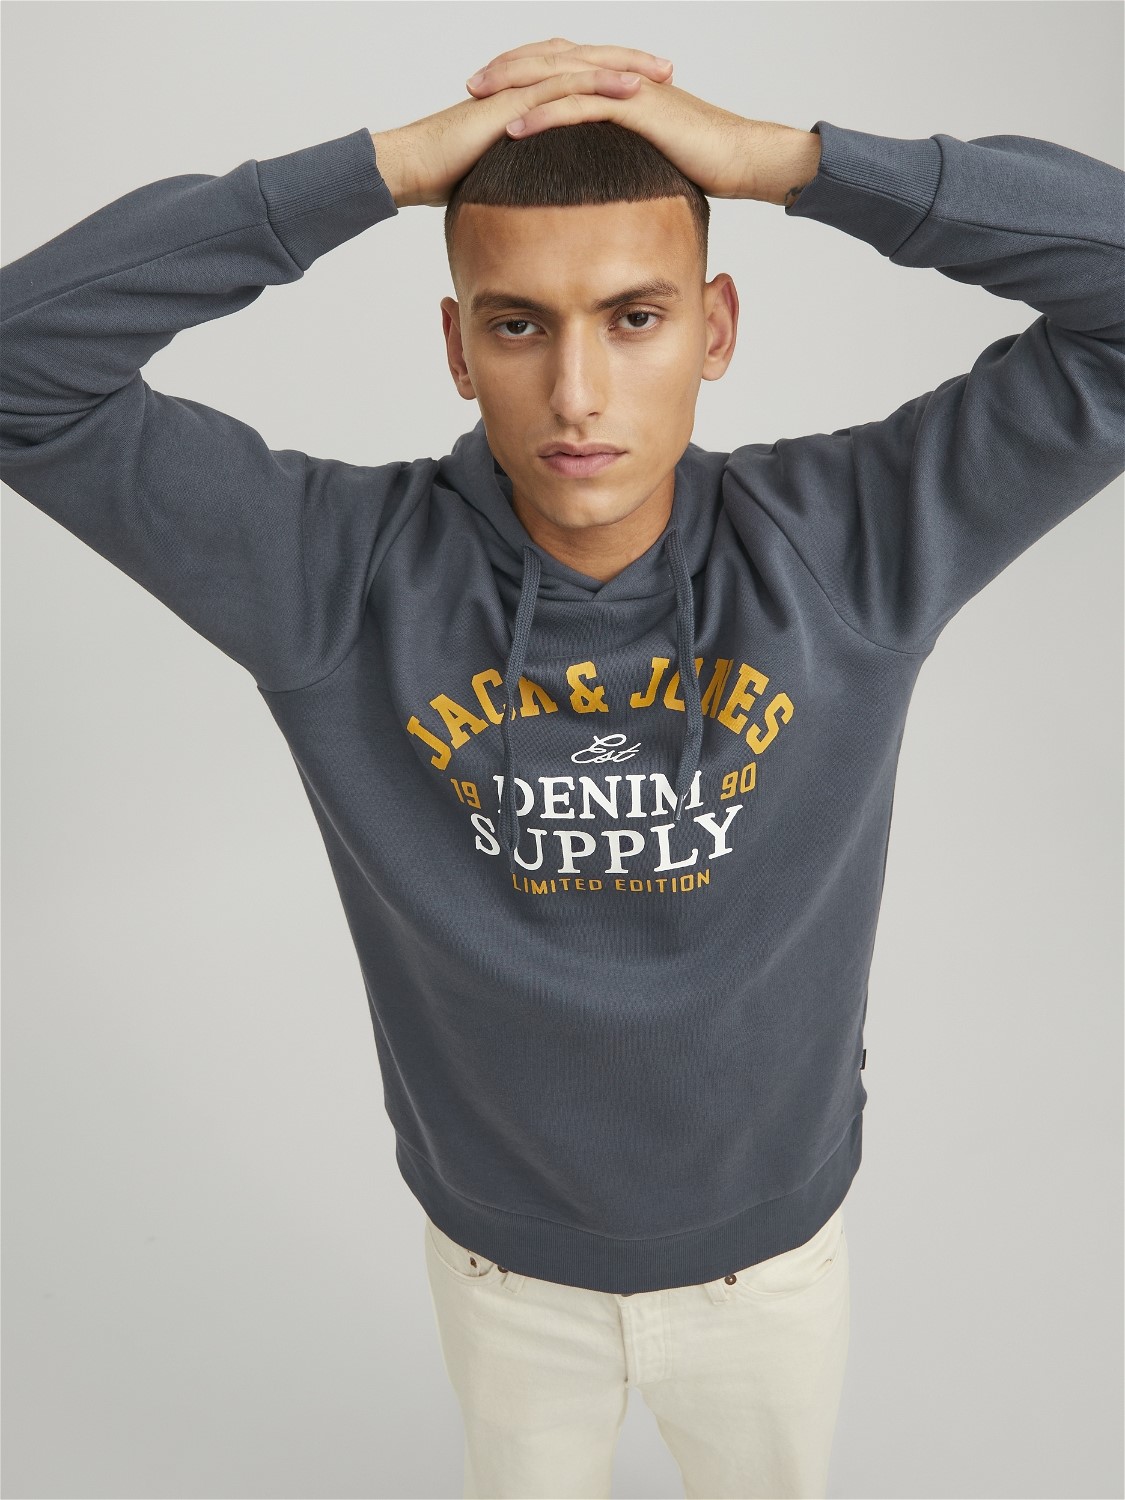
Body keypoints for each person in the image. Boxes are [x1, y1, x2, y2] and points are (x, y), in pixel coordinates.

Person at [2, 34, 1122, 1500]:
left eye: (636, 316)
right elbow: (20, 366)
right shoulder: (338, 578)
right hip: (503, 1273)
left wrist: (787, 161)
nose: (578, 391)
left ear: (716, 327)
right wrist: (378, 172)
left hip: (772, 1262)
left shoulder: (847, 547)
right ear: (456, 346)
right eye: (519, 325)